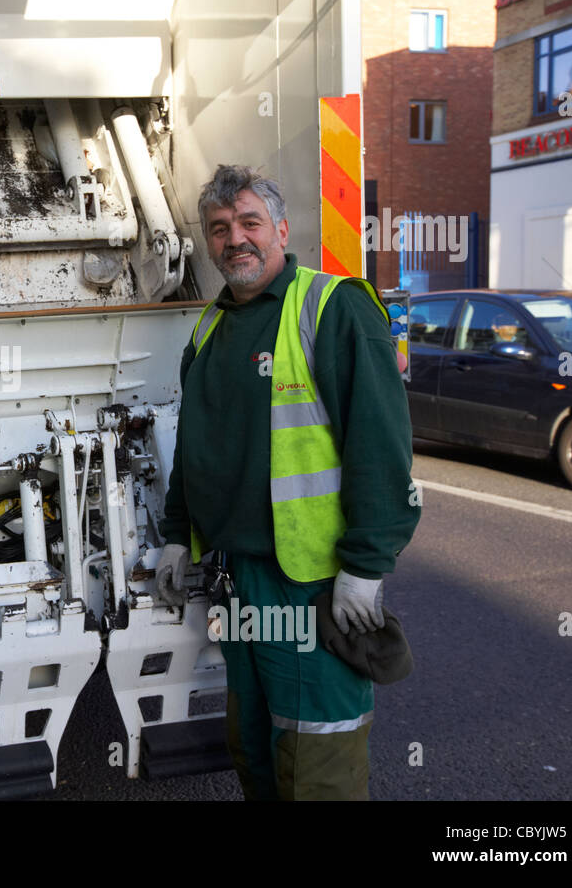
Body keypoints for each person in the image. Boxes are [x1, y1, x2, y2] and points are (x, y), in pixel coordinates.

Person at [155, 164, 419, 800]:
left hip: (313, 583)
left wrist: (366, 565)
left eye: (249, 223)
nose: (234, 240)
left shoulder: (333, 307)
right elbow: (196, 445)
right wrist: (176, 534)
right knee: (257, 749)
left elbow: (380, 447)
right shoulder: (210, 327)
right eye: (219, 229)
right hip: (239, 580)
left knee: (318, 756)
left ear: (281, 228)